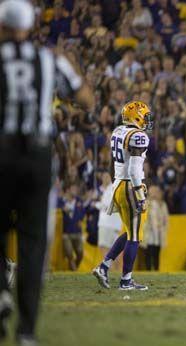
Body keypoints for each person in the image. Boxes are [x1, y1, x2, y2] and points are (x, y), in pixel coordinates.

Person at [0, 1, 94, 342]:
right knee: (32, 244)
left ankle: (2, 296)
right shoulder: (49, 59)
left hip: (3, 153)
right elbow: (87, 99)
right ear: (30, 26)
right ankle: (26, 332)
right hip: (38, 157)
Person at [92, 101, 153, 290]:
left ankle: (104, 266)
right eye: (145, 116)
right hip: (130, 186)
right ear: (137, 116)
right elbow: (134, 170)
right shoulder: (138, 136)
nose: (147, 120)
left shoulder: (118, 131)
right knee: (135, 236)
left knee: (129, 232)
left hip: (119, 184)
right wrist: (140, 195)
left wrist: (115, 185)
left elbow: (111, 163)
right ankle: (126, 280)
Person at [94, 172, 123, 271]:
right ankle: (116, 273)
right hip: (114, 224)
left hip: (107, 224)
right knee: (114, 250)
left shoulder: (111, 189)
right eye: (103, 176)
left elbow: (106, 205)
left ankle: (108, 271)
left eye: (107, 176)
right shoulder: (109, 189)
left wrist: (96, 204)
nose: (105, 178)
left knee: (105, 248)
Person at [59, 184, 85, 271]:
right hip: (66, 233)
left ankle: (73, 270)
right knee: (69, 254)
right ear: (68, 190)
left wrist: (80, 219)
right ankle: (74, 272)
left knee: (80, 254)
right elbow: (55, 210)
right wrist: (62, 209)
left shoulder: (79, 201)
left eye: (76, 189)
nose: (75, 191)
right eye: (73, 189)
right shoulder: (61, 202)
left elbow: (83, 213)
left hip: (77, 232)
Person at [143, 186, 168, 271]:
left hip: (158, 232)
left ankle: (156, 270)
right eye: (153, 191)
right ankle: (148, 269)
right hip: (149, 232)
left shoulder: (162, 204)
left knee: (157, 252)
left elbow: (166, 219)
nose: (155, 194)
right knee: (148, 252)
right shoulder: (147, 203)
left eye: (156, 192)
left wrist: (163, 228)